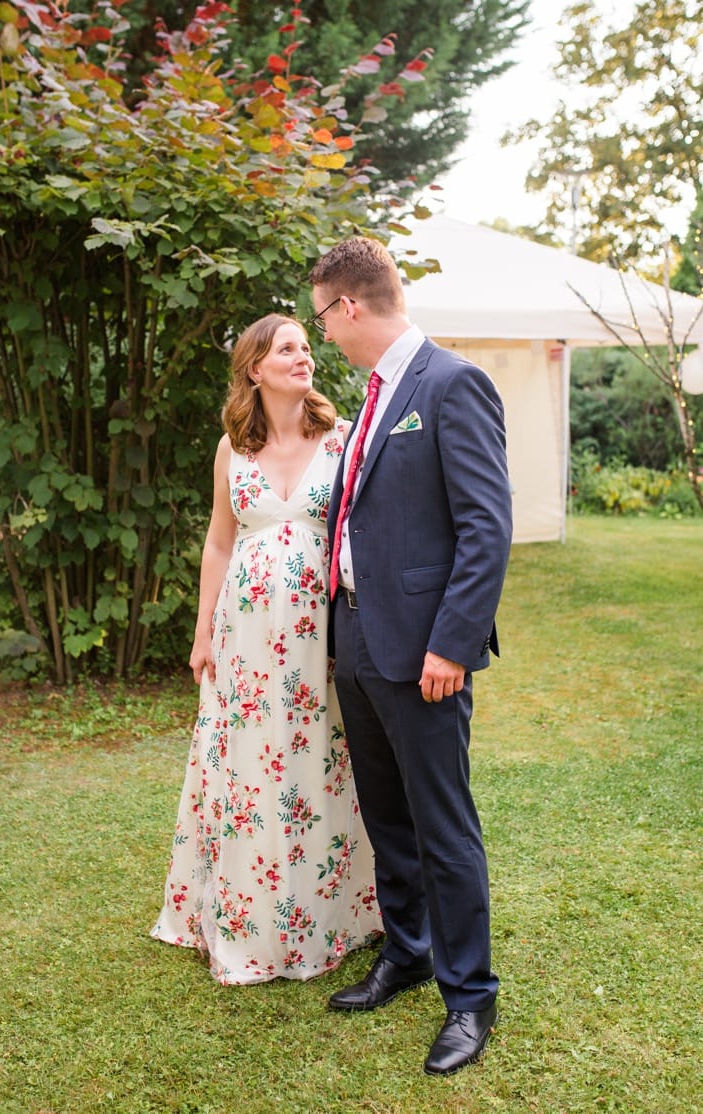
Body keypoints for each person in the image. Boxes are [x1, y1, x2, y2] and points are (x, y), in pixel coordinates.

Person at [309, 237, 512, 1075]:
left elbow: (485, 528)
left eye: (322, 315)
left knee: (443, 826)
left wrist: (451, 645)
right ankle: (409, 951)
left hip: (426, 651)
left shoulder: (451, 383)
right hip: (356, 636)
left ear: (349, 306)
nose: (322, 333)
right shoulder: (374, 393)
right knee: (385, 814)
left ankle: (470, 997)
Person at [151, 313, 382, 984]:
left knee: (322, 759)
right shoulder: (232, 449)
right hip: (245, 635)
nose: (303, 357)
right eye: (287, 348)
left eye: (307, 348)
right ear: (255, 367)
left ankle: (332, 911)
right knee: (249, 764)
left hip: (323, 634)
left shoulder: (339, 439)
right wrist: (201, 632)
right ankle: (245, 912)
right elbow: (221, 541)